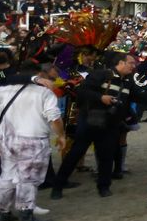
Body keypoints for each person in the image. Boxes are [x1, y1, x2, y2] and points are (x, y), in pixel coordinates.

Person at [0, 58, 66, 221]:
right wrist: (61, 135)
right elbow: (54, 117)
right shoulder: (43, 93)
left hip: (6, 139)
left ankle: (3, 212)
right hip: (33, 139)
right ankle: (25, 214)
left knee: (7, 175)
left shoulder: (2, 91)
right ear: (39, 75)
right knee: (28, 179)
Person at [50, 51, 137, 200]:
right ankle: (58, 186)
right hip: (90, 121)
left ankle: (104, 186)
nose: (133, 66)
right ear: (120, 63)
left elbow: (134, 98)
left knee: (106, 156)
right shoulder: (101, 75)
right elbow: (82, 91)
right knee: (75, 153)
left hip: (111, 124)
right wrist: (100, 97)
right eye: (131, 63)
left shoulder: (128, 81)